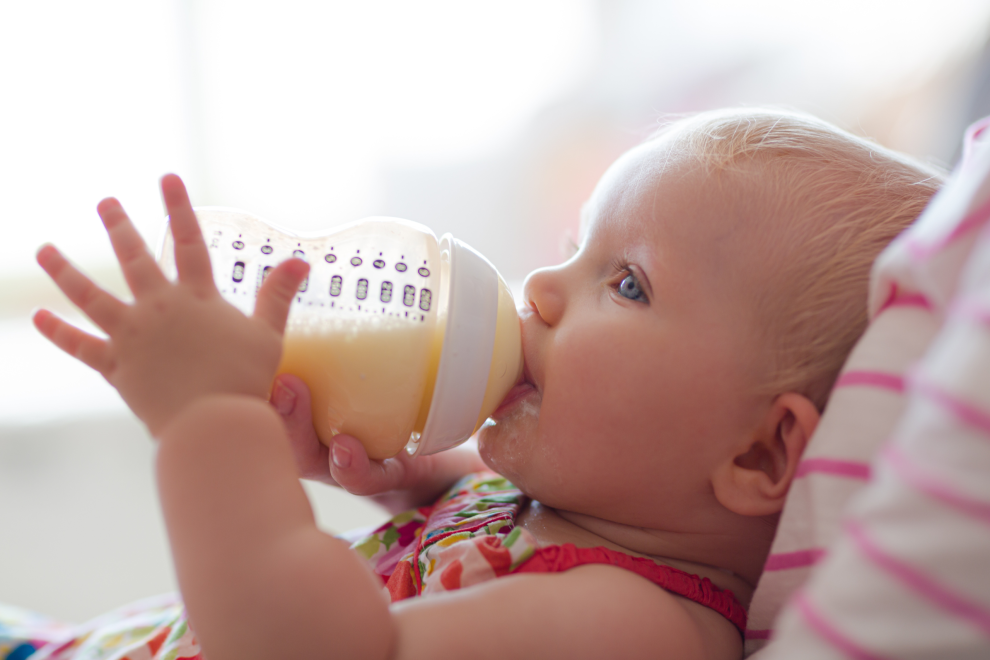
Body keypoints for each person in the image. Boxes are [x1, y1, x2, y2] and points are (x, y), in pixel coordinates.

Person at [12, 108, 942, 660]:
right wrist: (416, 477)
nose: (539, 289)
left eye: (626, 284)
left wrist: (208, 426)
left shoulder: (632, 628)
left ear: (757, 452)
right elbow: (481, 547)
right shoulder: (574, 507)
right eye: (575, 250)